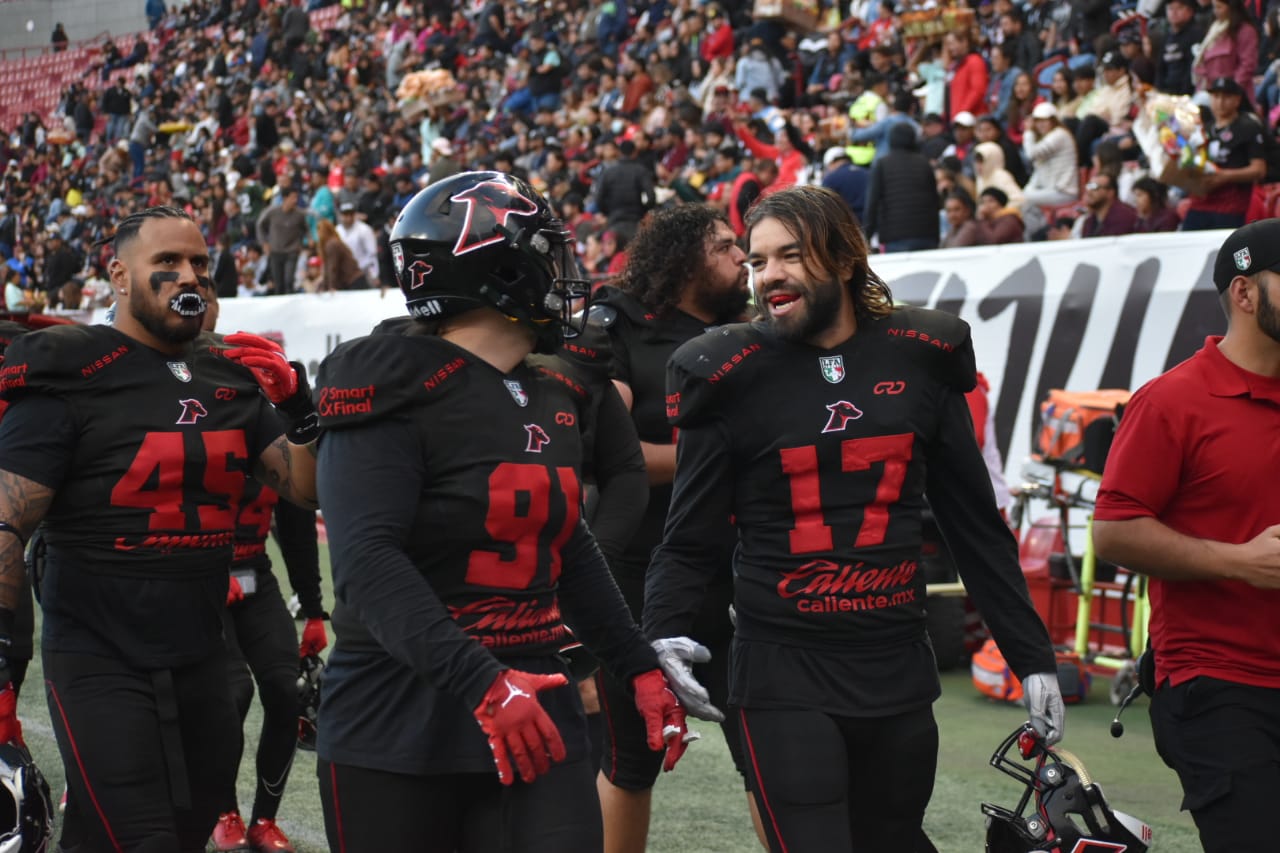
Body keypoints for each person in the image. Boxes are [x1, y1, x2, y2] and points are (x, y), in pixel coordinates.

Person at [643, 185, 1062, 852]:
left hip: (896, 658)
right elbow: (688, 536)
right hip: (782, 664)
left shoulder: (921, 353)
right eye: (756, 261)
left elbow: (974, 526)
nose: (769, 275)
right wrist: (662, 631)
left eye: (789, 255)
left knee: (893, 838)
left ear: (843, 259)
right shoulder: (725, 369)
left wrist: (1031, 654)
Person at [311, 171, 689, 853]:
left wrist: (634, 664)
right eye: (547, 251)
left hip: (538, 699)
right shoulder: (392, 378)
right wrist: (484, 685)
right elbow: (368, 562)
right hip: (401, 718)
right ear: (503, 266)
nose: (563, 271)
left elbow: (566, 543)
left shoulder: (543, 389)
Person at [0, 205, 320, 851]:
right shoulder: (73, 370)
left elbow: (304, 487)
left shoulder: (229, 375)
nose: (189, 277)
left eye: (200, 263)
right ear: (118, 276)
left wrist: (300, 410)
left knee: (175, 827)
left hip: (200, 647)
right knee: (145, 837)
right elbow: (7, 523)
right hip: (98, 650)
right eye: (167, 263)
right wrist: (5, 666)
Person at [1092, 218, 1280, 853]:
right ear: (1246, 293)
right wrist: (1239, 562)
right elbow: (1113, 533)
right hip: (1220, 683)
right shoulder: (1173, 401)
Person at [589, 204, 761, 853]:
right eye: (724, 246)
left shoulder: (750, 333)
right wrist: (720, 456)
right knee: (632, 755)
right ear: (685, 257)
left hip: (743, 573)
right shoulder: (625, 328)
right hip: (640, 571)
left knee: (768, 750)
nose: (741, 257)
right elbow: (615, 456)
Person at [198, 291, 327, 853]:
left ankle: (263, 820)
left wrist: (314, 606)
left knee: (283, 691)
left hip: (255, 575)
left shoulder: (269, 423)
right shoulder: (192, 418)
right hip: (202, 575)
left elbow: (297, 521)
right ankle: (222, 811)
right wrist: (209, 564)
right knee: (230, 696)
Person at [1182, 77, 1266, 231]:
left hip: (1231, 205)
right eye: (1216, 96)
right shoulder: (1204, 129)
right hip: (1201, 200)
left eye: (1226, 97)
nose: (1220, 102)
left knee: (1225, 249)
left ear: (1237, 100)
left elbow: (1259, 170)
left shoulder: (1248, 127)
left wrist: (1225, 176)